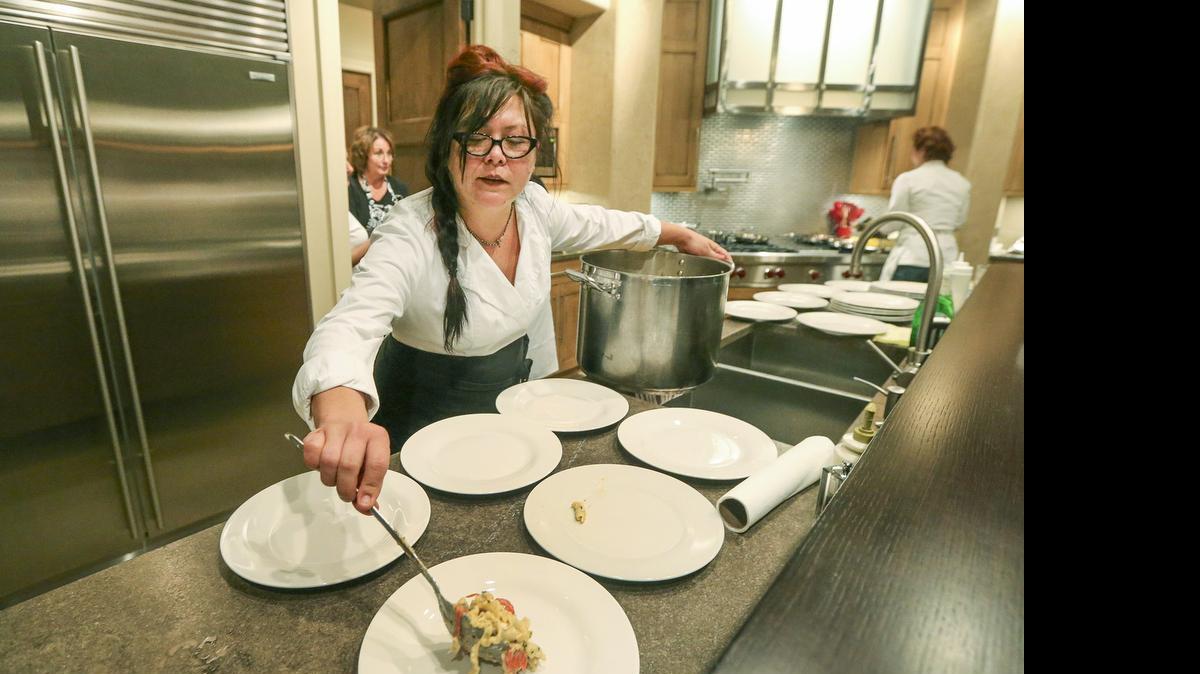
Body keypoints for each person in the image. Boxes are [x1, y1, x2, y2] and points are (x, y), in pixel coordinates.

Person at [292, 46, 730, 515]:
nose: (497, 156)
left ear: (534, 151)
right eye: (477, 137)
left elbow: (602, 224)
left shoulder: (535, 208)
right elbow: (350, 324)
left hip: (507, 416)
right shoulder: (409, 229)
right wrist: (341, 413)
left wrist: (677, 233)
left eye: (515, 139)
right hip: (418, 425)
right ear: (447, 145)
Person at [880, 126, 971, 282]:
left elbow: (894, 221)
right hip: (945, 258)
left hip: (913, 257)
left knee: (904, 305)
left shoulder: (908, 179)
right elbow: (959, 221)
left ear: (921, 151)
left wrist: (880, 229)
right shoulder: (962, 183)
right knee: (936, 305)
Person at [347, 126, 410, 265]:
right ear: (363, 156)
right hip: (362, 268)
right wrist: (382, 235)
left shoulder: (400, 188)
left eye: (389, 153)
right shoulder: (350, 189)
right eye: (379, 153)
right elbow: (346, 253)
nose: (386, 160)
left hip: (397, 263)